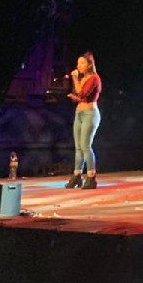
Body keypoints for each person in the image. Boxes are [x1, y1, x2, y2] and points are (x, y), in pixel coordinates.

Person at [66, 52, 102, 189]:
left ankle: (91, 177)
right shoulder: (84, 79)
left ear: (89, 65)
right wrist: (75, 97)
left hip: (90, 114)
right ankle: (77, 175)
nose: (78, 66)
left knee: (86, 145)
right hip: (79, 113)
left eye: (82, 63)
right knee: (78, 147)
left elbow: (82, 93)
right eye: (78, 63)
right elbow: (80, 96)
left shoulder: (94, 78)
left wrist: (75, 78)